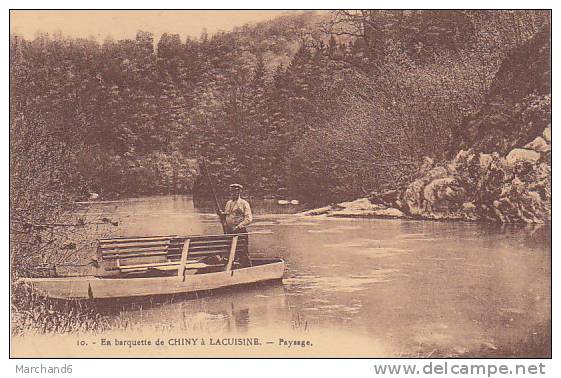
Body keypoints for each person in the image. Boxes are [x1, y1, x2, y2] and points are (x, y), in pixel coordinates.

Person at [218, 183, 252, 267]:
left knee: (243, 252)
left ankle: (248, 268)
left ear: (239, 192)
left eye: (235, 192)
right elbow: (227, 215)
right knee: (230, 252)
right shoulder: (228, 203)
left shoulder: (244, 203)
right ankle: (233, 269)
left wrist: (239, 226)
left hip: (240, 232)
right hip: (229, 232)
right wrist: (221, 215)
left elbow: (249, 218)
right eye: (231, 192)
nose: (233, 193)